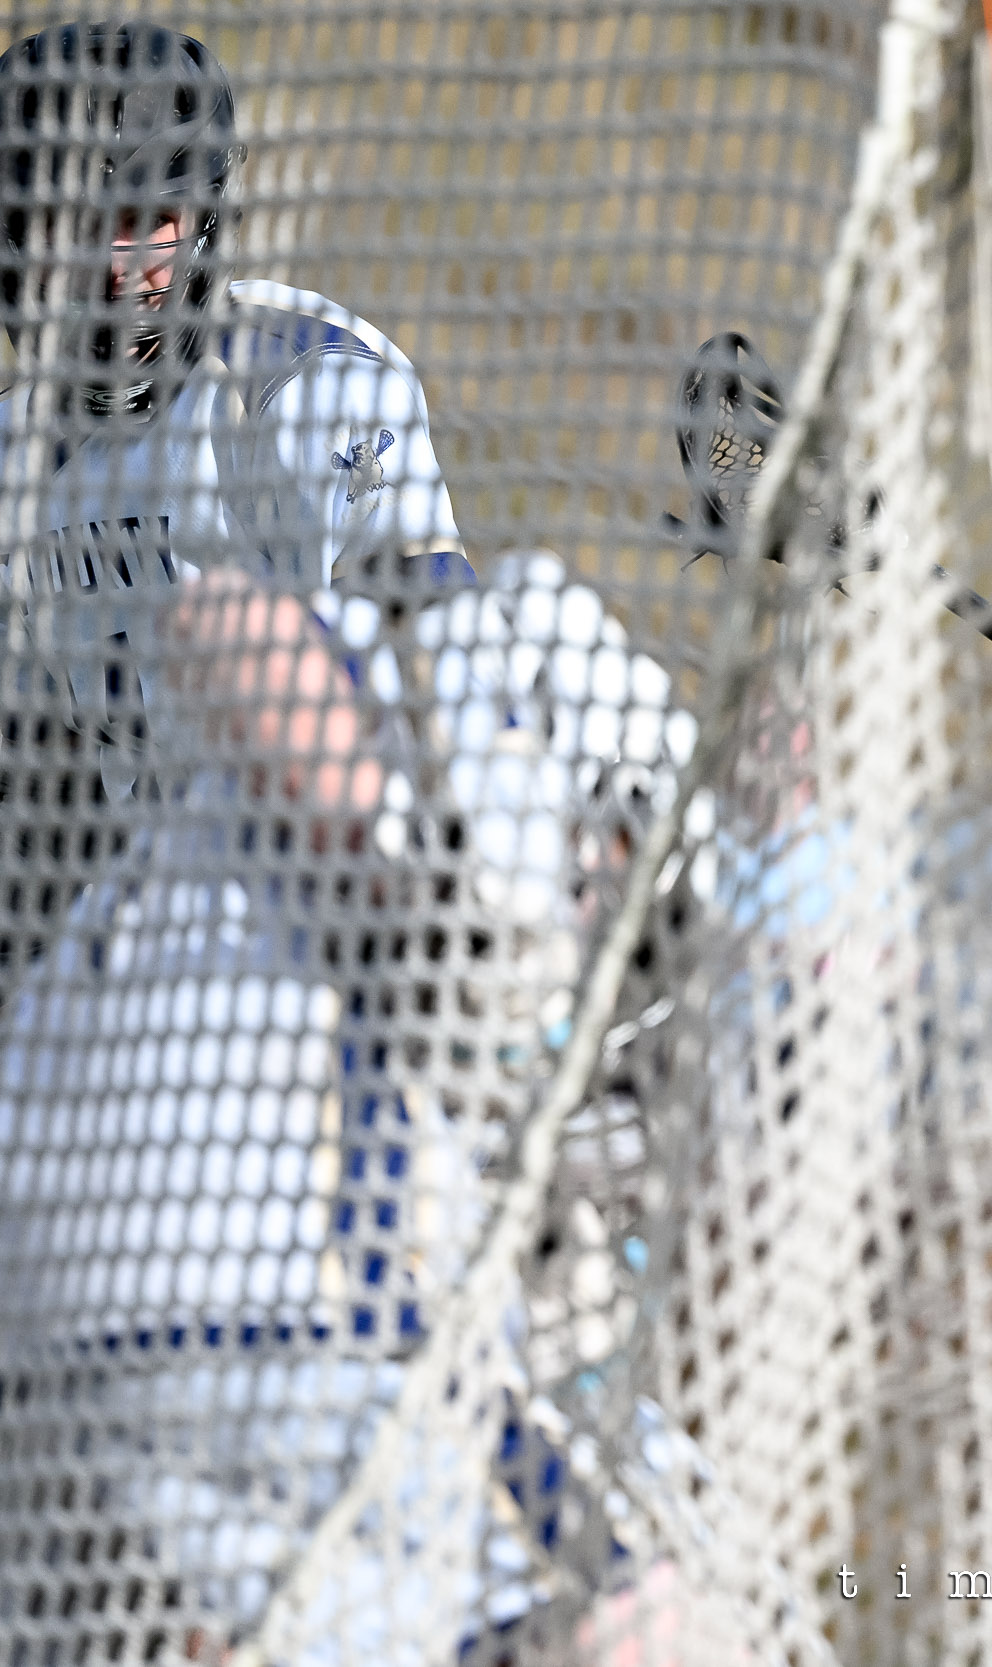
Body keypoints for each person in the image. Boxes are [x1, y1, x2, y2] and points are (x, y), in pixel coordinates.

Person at [0, 22, 686, 1657]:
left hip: (341, 966)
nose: (134, 257)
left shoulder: (303, 380)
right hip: (139, 1010)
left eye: (160, 213)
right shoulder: (21, 450)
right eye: (92, 221)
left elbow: (419, 672)